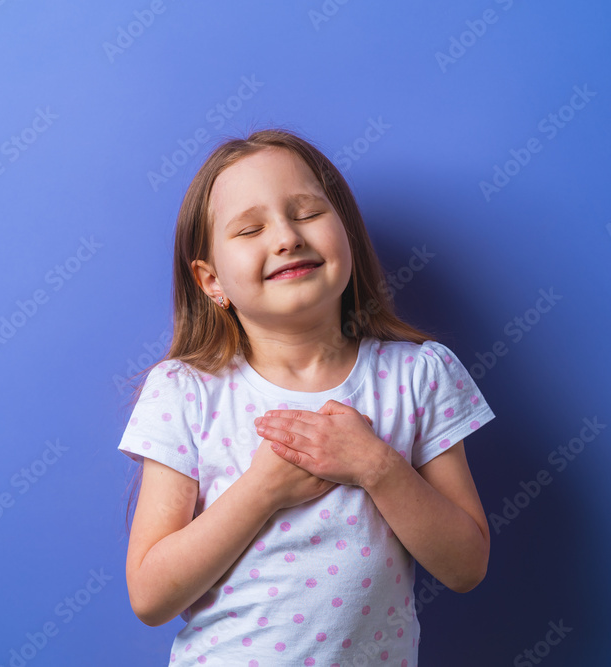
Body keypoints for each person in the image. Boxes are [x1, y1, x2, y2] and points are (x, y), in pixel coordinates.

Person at [117, 127, 496, 666]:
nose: (287, 237)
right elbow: (151, 596)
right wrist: (262, 490)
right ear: (211, 281)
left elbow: (466, 565)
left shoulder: (418, 374)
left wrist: (377, 466)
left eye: (308, 213)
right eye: (250, 228)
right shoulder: (186, 391)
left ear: (347, 234)